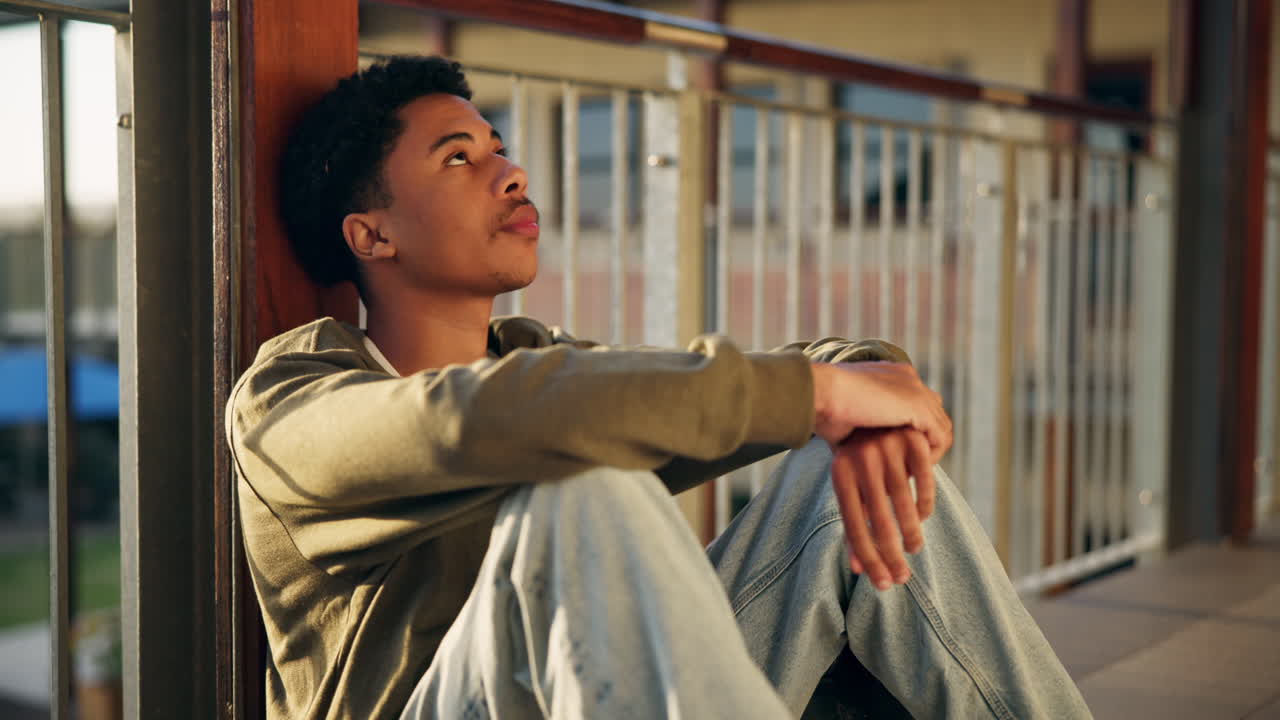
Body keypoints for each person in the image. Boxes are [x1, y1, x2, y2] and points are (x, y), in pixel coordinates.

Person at [226, 56, 1091, 720]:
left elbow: (666, 390)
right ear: (371, 235)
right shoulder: (290, 401)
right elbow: (483, 421)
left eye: (501, 147)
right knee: (579, 480)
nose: (512, 174)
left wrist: (862, 373)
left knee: (838, 477)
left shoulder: (535, 359)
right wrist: (819, 394)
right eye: (459, 159)